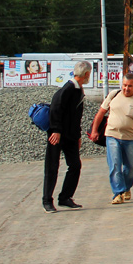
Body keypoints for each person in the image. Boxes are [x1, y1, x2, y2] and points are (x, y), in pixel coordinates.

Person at [43, 60, 92, 213]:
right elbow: (55, 108)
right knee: (52, 167)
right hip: (57, 134)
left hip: (70, 135)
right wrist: (56, 130)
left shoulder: (79, 89)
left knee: (75, 165)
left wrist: (78, 136)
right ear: (86, 74)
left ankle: (65, 197)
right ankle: (47, 201)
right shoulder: (68, 88)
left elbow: (76, 116)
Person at [94, 76, 133, 205]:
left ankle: (126, 187)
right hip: (112, 135)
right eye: (124, 85)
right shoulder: (113, 95)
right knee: (115, 165)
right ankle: (118, 193)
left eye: (130, 86)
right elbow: (101, 113)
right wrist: (94, 130)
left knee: (131, 167)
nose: (126, 88)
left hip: (130, 138)